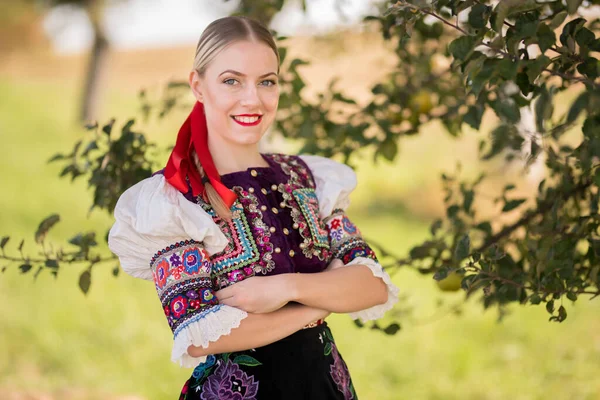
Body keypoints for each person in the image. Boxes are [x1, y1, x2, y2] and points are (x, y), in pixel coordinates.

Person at [108, 15, 399, 400]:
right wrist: (315, 306)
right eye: (232, 81)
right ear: (198, 85)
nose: (253, 99)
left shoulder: (308, 177)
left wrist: (286, 288)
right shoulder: (176, 198)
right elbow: (197, 332)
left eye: (267, 81)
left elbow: (372, 285)